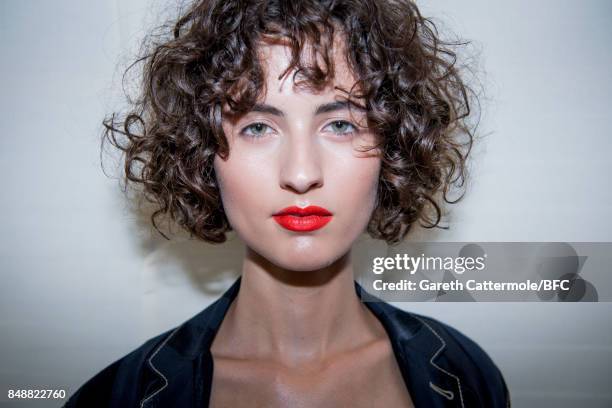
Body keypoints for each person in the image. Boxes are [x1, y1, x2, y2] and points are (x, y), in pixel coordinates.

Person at [66, 0, 510, 406]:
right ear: (201, 155)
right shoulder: (115, 398)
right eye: (257, 127)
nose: (300, 174)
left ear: (392, 148)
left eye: (339, 124)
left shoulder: (467, 375)